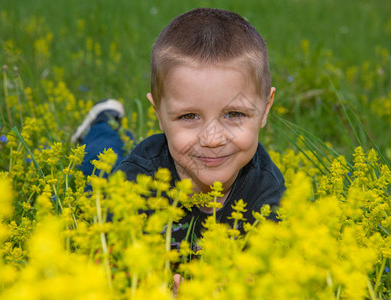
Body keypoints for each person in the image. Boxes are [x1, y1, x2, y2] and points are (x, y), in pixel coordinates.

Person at [73, 7, 285, 249]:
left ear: (265, 109)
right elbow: (109, 258)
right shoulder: (137, 180)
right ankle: (103, 124)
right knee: (99, 165)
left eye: (234, 114)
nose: (212, 139)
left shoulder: (267, 188)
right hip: (122, 172)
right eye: (189, 116)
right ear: (159, 114)